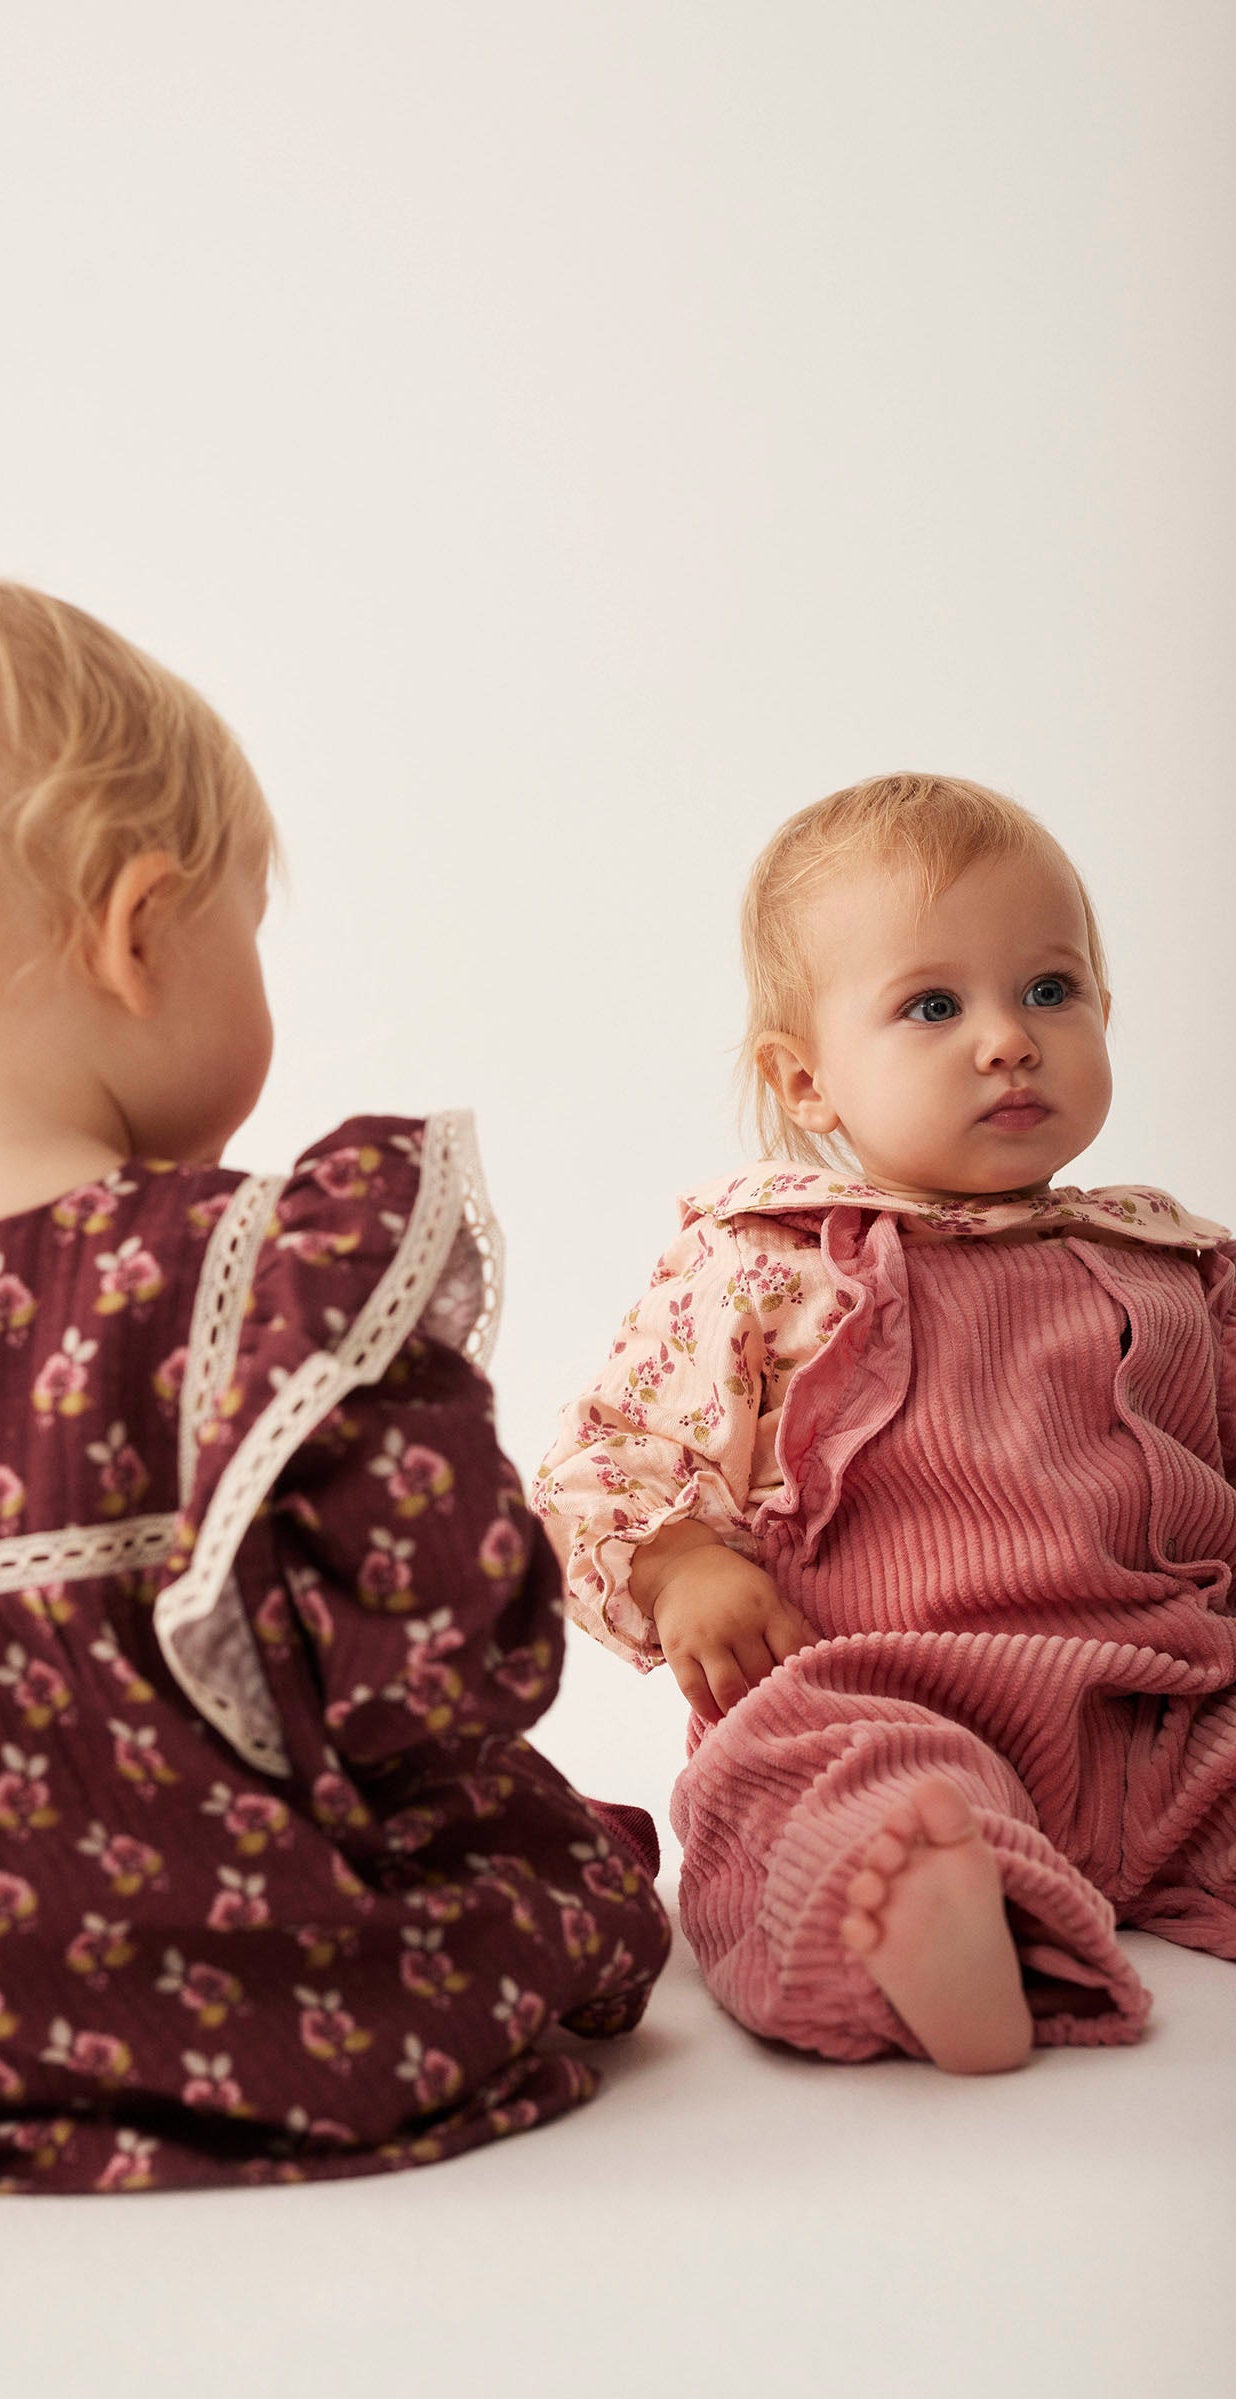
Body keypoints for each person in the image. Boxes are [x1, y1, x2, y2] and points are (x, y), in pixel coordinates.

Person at [0, 579, 668, 2192]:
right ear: (141, 932)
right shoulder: (245, 1281)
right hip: (245, 2018)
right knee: (541, 1855)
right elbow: (450, 1664)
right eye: (247, 932)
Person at [534, 773, 1236, 2074]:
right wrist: (680, 1565)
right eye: (933, 1006)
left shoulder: (1176, 1263)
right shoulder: (770, 1264)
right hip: (885, 1694)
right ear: (807, 1080)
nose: (1009, 1040)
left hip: (1168, 1710)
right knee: (810, 1791)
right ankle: (929, 1922)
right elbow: (605, 1458)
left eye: (1051, 990)